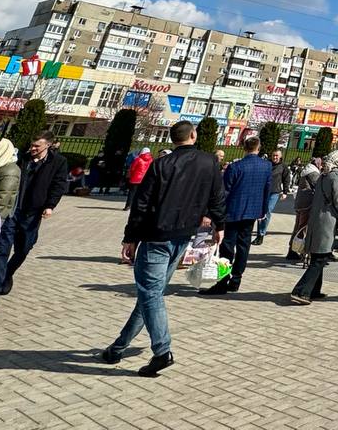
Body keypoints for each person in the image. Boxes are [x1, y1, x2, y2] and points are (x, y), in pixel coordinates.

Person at [100, 120, 224, 377]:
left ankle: (162, 351)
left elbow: (141, 204)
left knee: (151, 293)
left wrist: (130, 237)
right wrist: (219, 225)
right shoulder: (209, 162)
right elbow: (217, 196)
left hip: (157, 235)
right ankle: (118, 347)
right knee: (151, 294)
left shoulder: (161, 164)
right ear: (193, 135)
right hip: (183, 234)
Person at [0, 130, 68, 307]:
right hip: (11, 211)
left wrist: (50, 205)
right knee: (1, 249)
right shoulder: (21, 158)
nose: (33, 148)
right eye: (32, 145)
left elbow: (59, 185)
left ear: (48, 145)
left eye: (37, 145)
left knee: (24, 248)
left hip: (32, 213)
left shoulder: (58, 162)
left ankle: (7, 273)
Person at [202, 134, 270, 296]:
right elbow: (267, 189)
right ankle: (236, 280)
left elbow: (224, 192)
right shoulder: (266, 166)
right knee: (243, 246)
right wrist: (263, 210)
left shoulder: (235, 167)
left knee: (227, 247)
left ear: (244, 148)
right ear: (258, 148)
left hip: (232, 211)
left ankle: (222, 281)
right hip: (252, 212)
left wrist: (212, 212)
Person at [290, 151, 338, 304]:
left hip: (315, 219)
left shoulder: (323, 175)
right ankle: (301, 291)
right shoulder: (337, 176)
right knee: (321, 258)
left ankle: (314, 290)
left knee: (317, 255)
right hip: (327, 220)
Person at [287, 156, 321, 262]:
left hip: (300, 203)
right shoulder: (313, 173)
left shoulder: (306, 171)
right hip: (307, 204)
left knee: (298, 226)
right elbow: (319, 186)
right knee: (302, 228)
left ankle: (292, 249)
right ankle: (298, 249)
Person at [256, 149, 291, 246]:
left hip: (274, 192)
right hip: (263, 191)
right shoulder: (267, 164)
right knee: (261, 212)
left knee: (267, 211)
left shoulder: (283, 166)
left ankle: (261, 234)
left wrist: (285, 192)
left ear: (280, 156)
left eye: (277, 156)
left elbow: (286, 179)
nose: (275, 157)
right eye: (273, 155)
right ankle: (259, 233)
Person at [124, 147, 152, 211]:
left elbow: (132, 168)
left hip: (136, 178)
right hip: (145, 179)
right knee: (141, 193)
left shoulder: (138, 159)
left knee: (132, 192)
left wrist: (131, 175)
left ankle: (128, 206)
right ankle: (137, 206)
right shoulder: (151, 160)